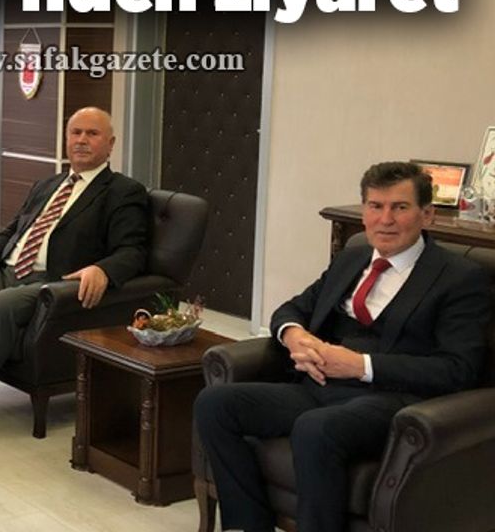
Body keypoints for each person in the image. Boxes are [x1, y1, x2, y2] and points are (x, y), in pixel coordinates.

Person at [194, 161, 492, 532]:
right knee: (215, 404)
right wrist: (294, 336)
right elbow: (293, 309)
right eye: (375, 206)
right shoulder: (351, 258)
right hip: (319, 385)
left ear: (426, 214)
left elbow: (459, 369)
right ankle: (249, 525)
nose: (385, 219)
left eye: (400, 207)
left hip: (392, 399)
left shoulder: (459, 278)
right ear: (364, 211)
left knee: (315, 428)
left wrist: (360, 365)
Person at [0, 107, 149, 432]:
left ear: (110, 144)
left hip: (53, 283)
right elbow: (13, 229)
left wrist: (103, 269)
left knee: (1, 305)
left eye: (92, 134)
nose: (82, 140)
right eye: (76, 133)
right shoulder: (48, 184)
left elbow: (133, 250)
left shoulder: (123, 191)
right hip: (8, 269)